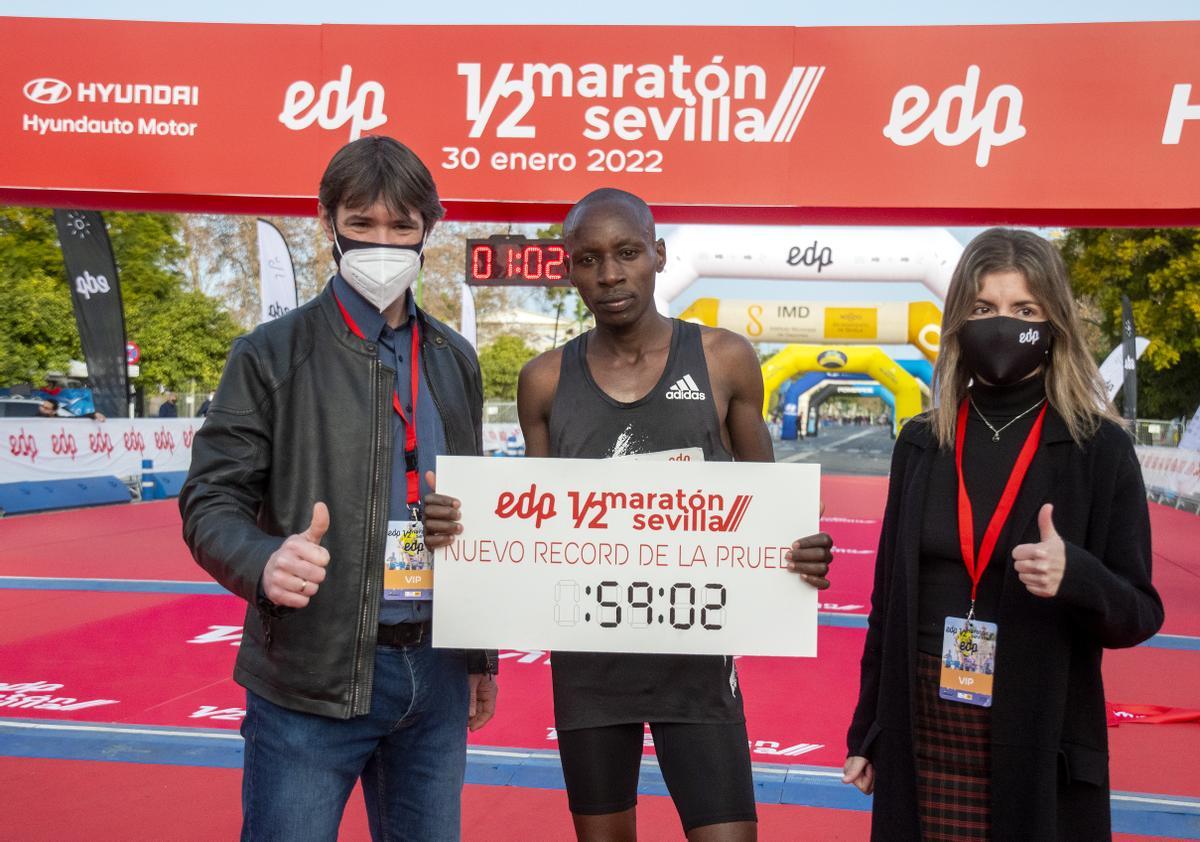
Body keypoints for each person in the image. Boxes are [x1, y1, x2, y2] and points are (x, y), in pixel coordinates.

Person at [425, 188, 834, 842]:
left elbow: (773, 511)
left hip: (697, 658)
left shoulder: (724, 358)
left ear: (658, 256)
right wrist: (461, 529)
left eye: (626, 254)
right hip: (590, 661)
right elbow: (532, 527)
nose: (610, 275)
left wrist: (801, 552)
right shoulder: (545, 380)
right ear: (567, 269)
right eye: (588, 260)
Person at [179, 135, 497, 842]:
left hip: (437, 675)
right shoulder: (269, 354)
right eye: (362, 224)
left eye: (401, 226)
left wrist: (480, 658)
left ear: (428, 231)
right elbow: (210, 499)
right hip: (309, 677)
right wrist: (263, 559)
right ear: (329, 224)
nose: (382, 241)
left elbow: (476, 518)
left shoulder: (454, 359)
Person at [841, 228, 1164, 840]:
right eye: (984, 309)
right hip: (923, 727)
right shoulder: (921, 441)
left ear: (1054, 324)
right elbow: (887, 607)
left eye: (1024, 310)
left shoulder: (1099, 448)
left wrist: (1078, 576)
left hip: (1037, 732)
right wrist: (868, 731)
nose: (1001, 324)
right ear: (958, 319)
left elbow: (1139, 613)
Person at [38, 397, 105, 421]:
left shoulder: (61, 421)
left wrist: (94, 414)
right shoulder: (33, 420)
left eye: (46, 408)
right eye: (42, 406)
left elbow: (76, 419)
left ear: (54, 411)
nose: (42, 409)